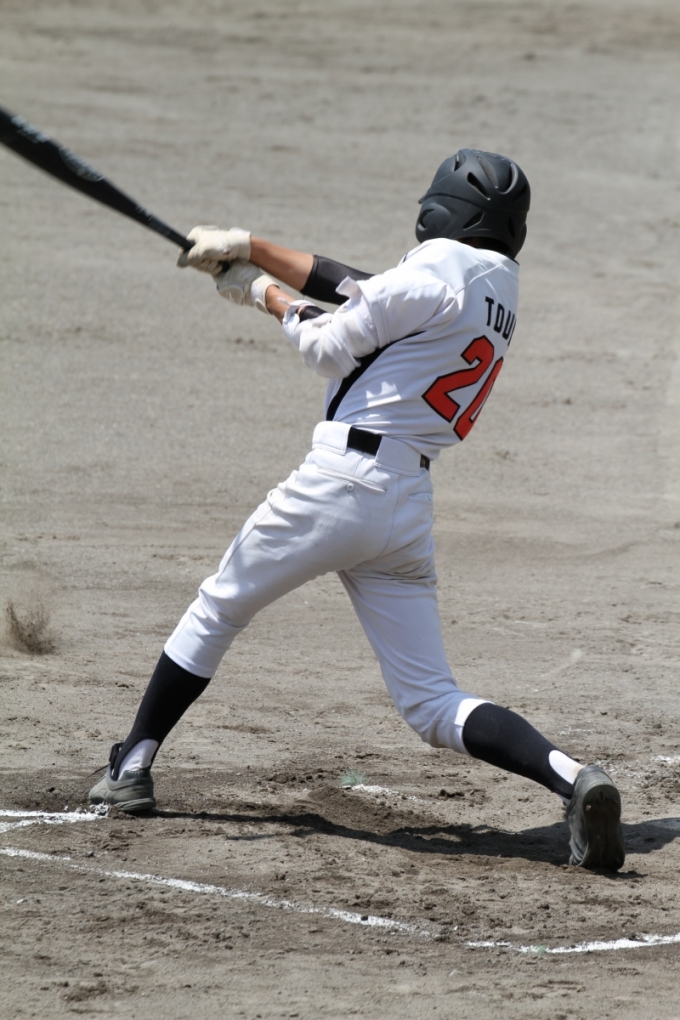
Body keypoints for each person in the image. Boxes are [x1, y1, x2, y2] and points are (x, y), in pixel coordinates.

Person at [89, 149, 625, 871]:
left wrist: (261, 293)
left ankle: (131, 765)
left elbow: (327, 345)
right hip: (406, 508)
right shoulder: (495, 286)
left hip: (339, 485)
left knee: (219, 609)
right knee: (431, 701)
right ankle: (573, 777)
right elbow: (365, 289)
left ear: (441, 210)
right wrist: (252, 247)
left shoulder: (436, 267)